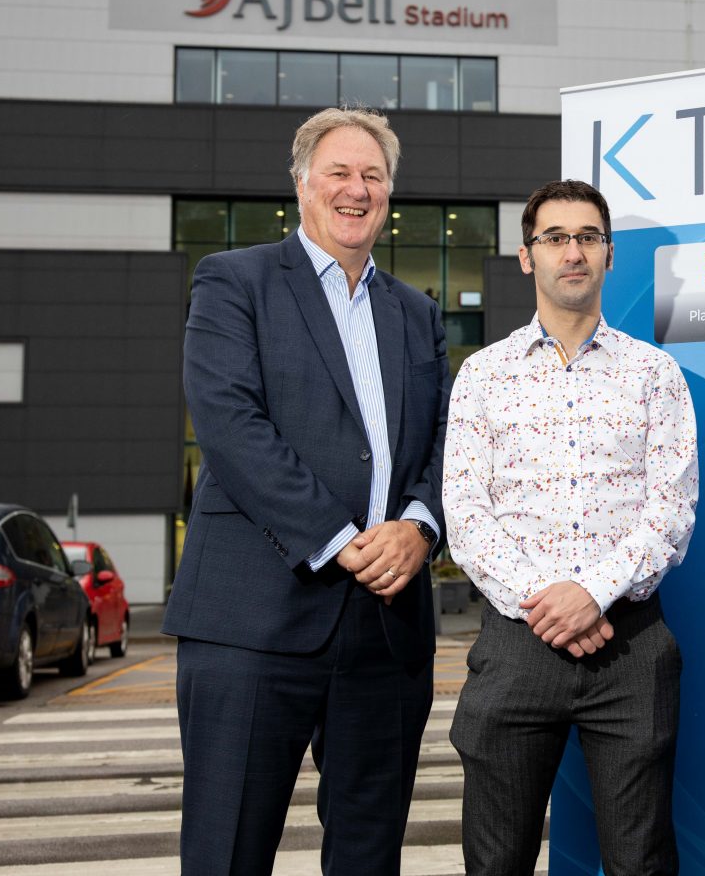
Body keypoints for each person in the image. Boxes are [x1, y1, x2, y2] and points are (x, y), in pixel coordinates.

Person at [164, 107, 448, 875]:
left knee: (369, 852)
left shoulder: (418, 313)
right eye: (339, 173)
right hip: (254, 617)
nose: (357, 190)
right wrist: (338, 537)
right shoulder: (234, 281)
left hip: (387, 629)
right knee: (229, 851)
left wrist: (419, 528)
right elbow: (230, 424)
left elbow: (446, 444)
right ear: (300, 185)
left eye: (373, 176)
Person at [444, 179, 698, 876]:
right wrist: (548, 601)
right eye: (555, 238)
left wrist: (593, 592)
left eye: (587, 236)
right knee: (497, 862)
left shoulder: (655, 374)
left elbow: (671, 511)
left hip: (631, 644)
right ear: (528, 258)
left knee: (641, 862)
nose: (572, 251)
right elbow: (465, 514)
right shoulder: (483, 376)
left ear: (609, 254)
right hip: (516, 642)